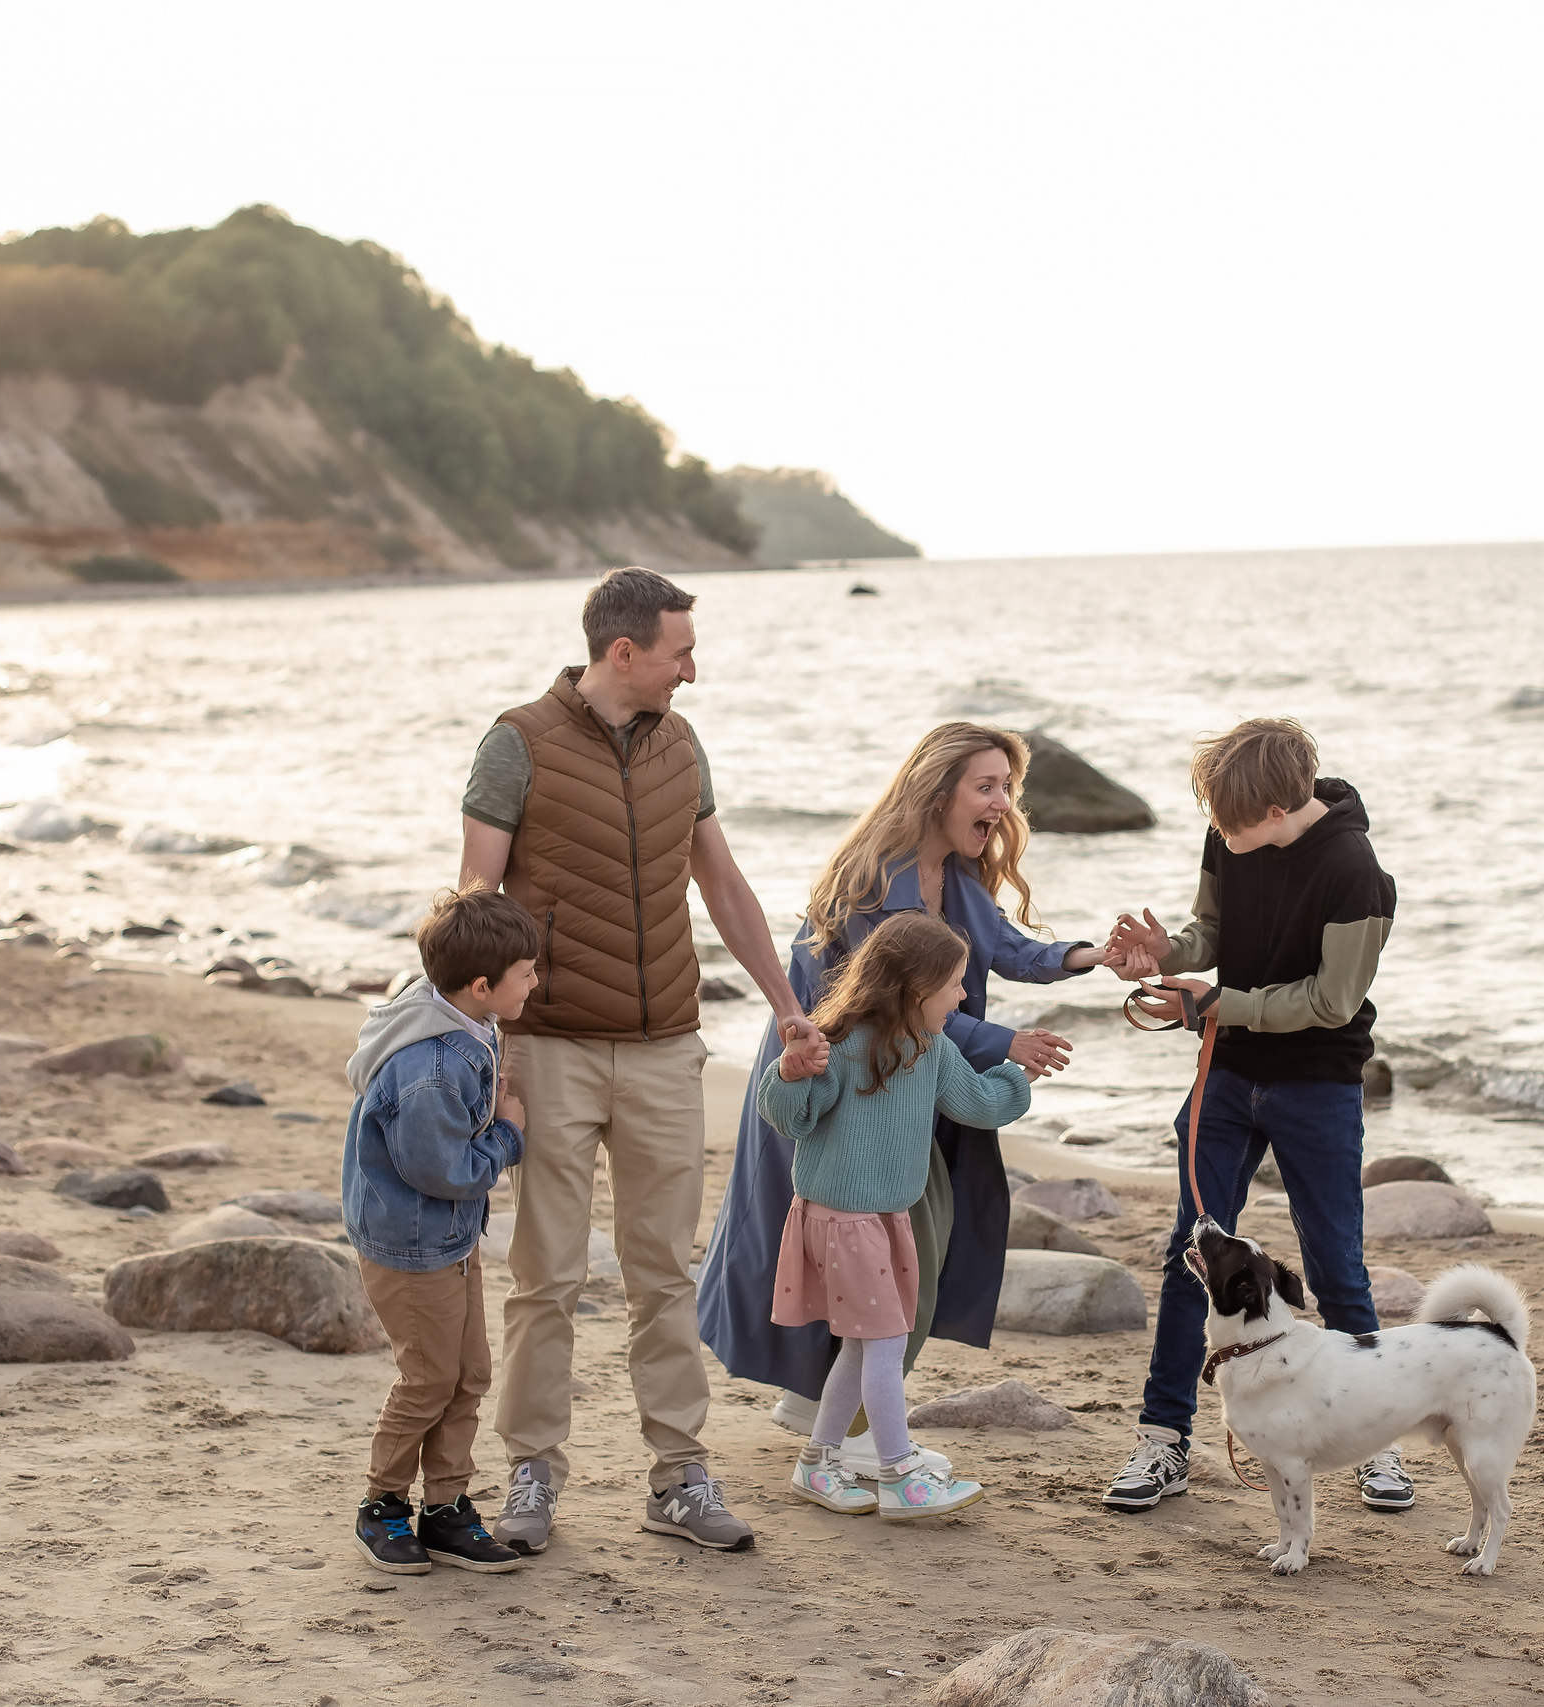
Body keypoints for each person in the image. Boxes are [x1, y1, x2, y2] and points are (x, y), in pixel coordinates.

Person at [459, 566, 820, 1557]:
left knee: (665, 1274)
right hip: (551, 1047)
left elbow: (723, 884)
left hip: (666, 1049)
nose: (691, 673)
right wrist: (484, 1048)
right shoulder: (517, 744)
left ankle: (679, 1477)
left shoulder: (681, 746)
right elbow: (474, 907)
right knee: (547, 1276)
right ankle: (532, 1472)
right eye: (679, 653)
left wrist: (787, 1008)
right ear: (624, 652)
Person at [696, 724, 1113, 1464]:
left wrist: (1095, 956)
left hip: (904, 1078)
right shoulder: (871, 881)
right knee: (860, 1243)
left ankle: (826, 1413)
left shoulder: (956, 875)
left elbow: (1010, 950)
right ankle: (842, 1423)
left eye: (1008, 788)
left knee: (898, 1245)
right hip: (834, 1077)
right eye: (986, 785)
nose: (1002, 802)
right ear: (937, 788)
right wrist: (1004, 1045)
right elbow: (886, 1004)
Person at [1097, 717, 1406, 1514]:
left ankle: (1377, 1443)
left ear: (1275, 809)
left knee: (1336, 1266)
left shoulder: (1354, 870)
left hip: (1317, 1081)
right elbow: (1215, 933)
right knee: (1186, 1254)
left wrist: (1217, 1001)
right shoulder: (1226, 831)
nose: (1218, 831)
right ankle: (1164, 1442)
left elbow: (1332, 1001)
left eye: (1230, 820)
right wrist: (1167, 956)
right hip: (1227, 1075)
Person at [757, 912, 1032, 1519]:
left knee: (862, 1349)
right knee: (884, 1346)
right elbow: (789, 1115)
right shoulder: (839, 1044)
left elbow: (980, 1104)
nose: (962, 996)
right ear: (915, 988)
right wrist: (790, 1070)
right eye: (955, 984)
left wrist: (1017, 1075)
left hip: (884, 1219)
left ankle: (818, 1465)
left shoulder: (931, 1049)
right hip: (841, 1222)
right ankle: (901, 1476)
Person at [342, 885, 539, 1576]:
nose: (536, 980)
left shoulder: (463, 1020)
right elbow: (444, 1169)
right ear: (483, 985)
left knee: (469, 1374)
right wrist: (509, 1133)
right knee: (428, 1378)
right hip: (414, 1243)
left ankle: (447, 1507)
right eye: (526, 972)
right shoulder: (429, 1067)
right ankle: (383, 1505)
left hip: (448, 1239)